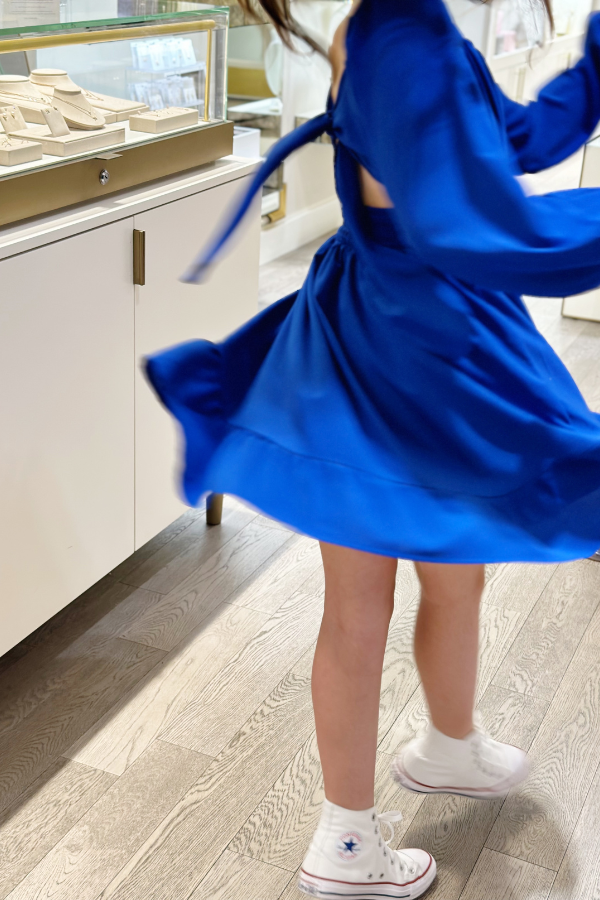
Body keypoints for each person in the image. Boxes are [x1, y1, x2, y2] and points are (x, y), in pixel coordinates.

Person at [145, 0, 600, 893]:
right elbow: (475, 230)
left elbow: (515, 139)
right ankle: (345, 842)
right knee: (362, 606)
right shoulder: (404, 39)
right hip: (405, 341)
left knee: (451, 569)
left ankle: (449, 744)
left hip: (399, 324)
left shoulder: (407, 25)